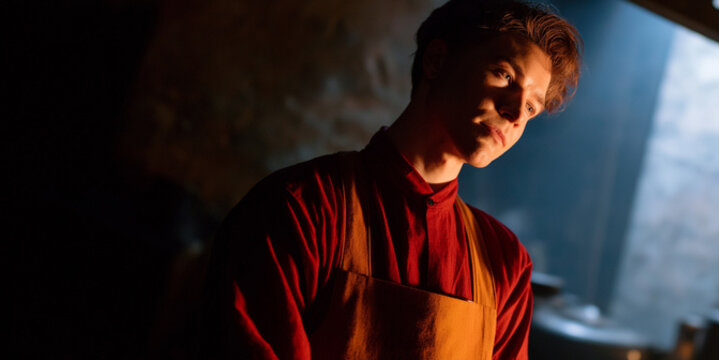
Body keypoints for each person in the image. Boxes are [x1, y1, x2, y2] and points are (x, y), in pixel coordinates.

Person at [198, 0, 582, 359]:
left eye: (532, 106)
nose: (515, 113)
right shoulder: (301, 208)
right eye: (504, 74)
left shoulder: (504, 263)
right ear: (436, 61)